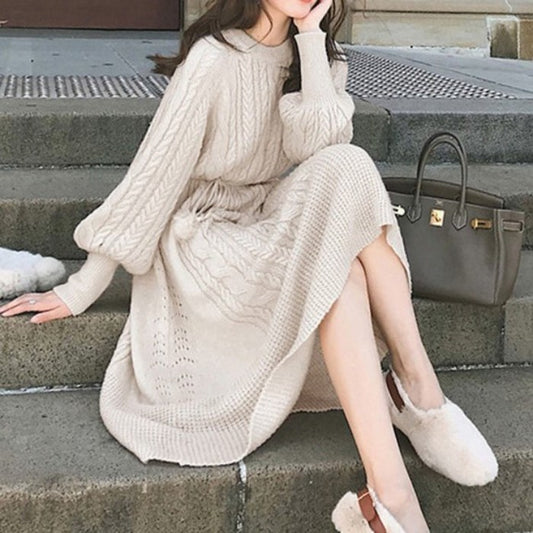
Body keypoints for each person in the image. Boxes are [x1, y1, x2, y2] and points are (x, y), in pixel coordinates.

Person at [0, 1, 499, 531]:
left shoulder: (318, 57)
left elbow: (320, 148)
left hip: (263, 213)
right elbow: (153, 177)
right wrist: (84, 285)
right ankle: (397, 474)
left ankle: (415, 393)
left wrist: (310, 39)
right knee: (343, 275)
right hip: (204, 234)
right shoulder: (213, 58)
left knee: (349, 164)